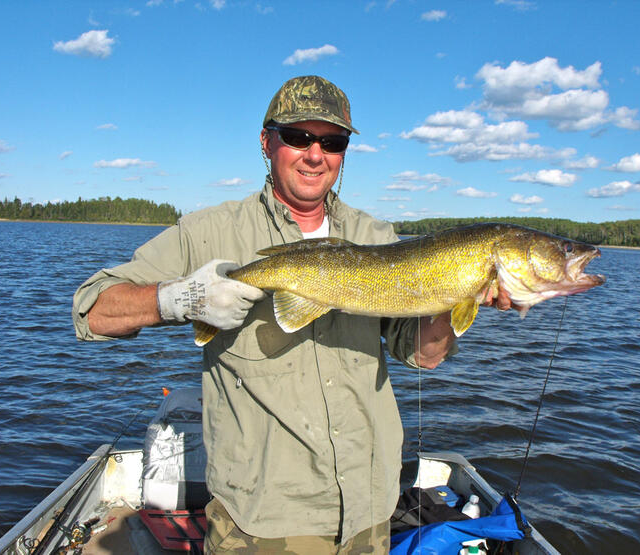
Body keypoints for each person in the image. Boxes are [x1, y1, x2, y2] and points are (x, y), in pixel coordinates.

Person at [73, 75, 513, 554]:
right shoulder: (209, 231)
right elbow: (92, 310)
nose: (315, 153)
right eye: (298, 137)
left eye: (333, 141)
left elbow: (425, 356)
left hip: (369, 511)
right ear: (267, 142)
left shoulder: (377, 235)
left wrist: (459, 296)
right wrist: (178, 299)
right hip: (263, 518)